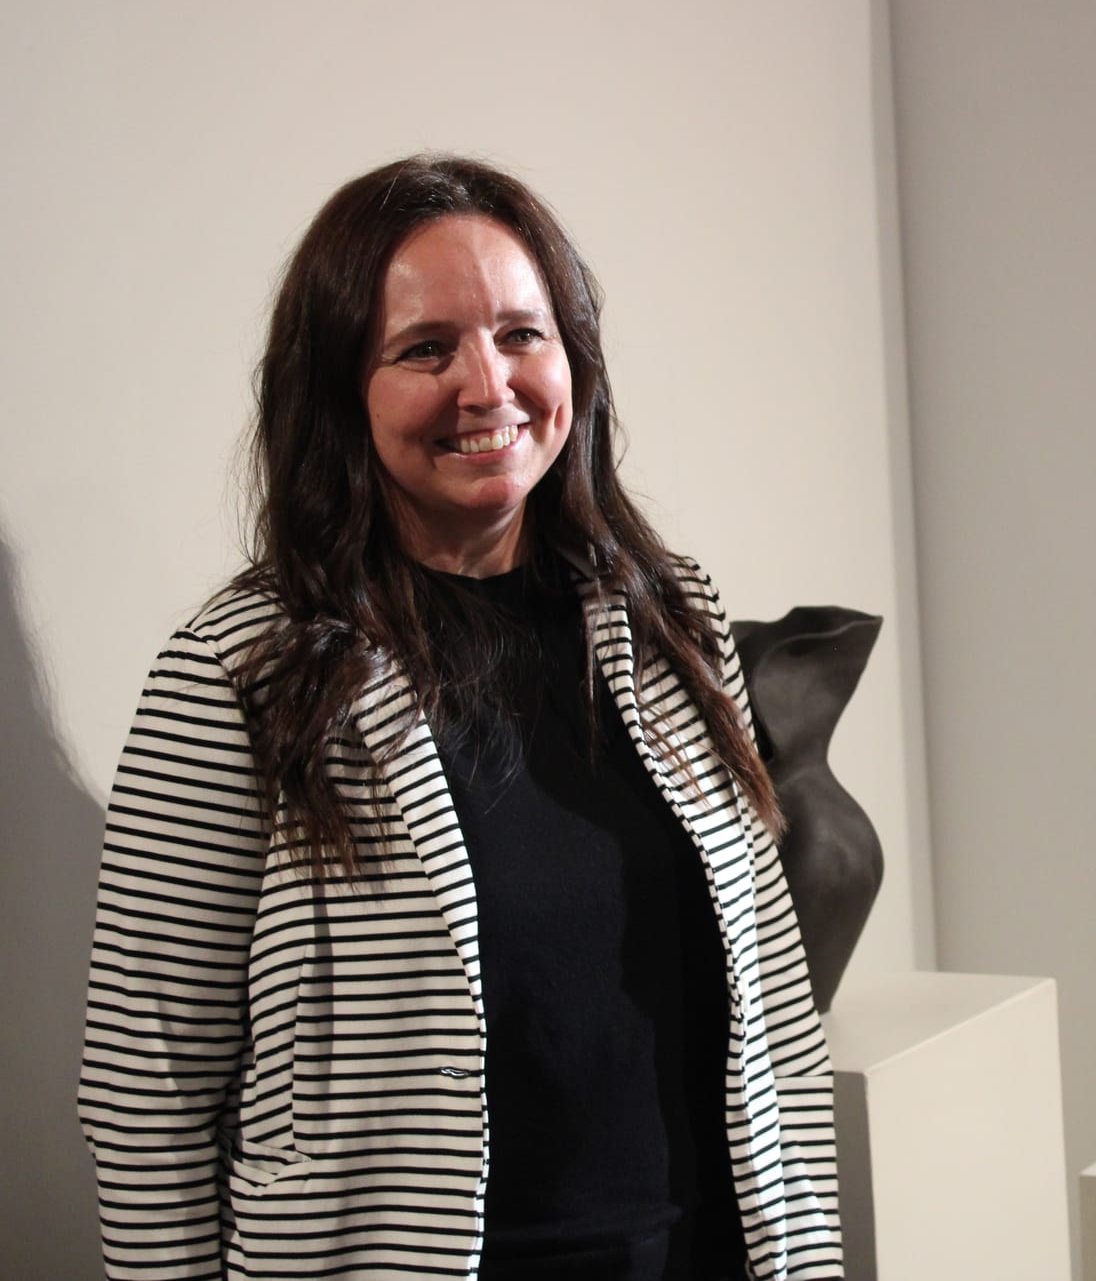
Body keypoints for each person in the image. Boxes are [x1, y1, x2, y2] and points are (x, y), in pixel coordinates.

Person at [78, 155, 843, 1280]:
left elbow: (773, 1010)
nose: (487, 385)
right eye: (425, 349)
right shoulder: (241, 671)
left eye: (521, 334)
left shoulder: (670, 618)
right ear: (339, 387)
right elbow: (147, 1084)